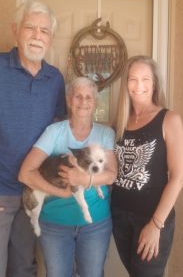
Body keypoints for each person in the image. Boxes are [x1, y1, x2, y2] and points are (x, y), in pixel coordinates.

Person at [18, 77, 118, 277]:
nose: (83, 102)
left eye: (88, 97)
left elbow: (111, 176)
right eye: (78, 96)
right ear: (69, 99)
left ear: (95, 102)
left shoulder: (105, 133)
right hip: (55, 224)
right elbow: (25, 173)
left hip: (95, 225)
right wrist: (61, 193)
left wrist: (83, 180)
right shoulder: (54, 132)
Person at [0, 1, 66, 277]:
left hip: (34, 191)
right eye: (30, 28)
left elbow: (59, 131)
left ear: (50, 38)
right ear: (16, 31)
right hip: (1, 191)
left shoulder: (55, 79)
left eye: (44, 31)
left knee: (23, 267)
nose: (37, 36)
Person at [111, 55, 183, 277]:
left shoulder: (169, 119)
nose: (139, 85)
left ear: (154, 83)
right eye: (133, 79)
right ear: (126, 84)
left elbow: (178, 176)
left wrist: (156, 224)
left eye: (145, 79)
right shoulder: (120, 122)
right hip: (119, 215)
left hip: (152, 217)